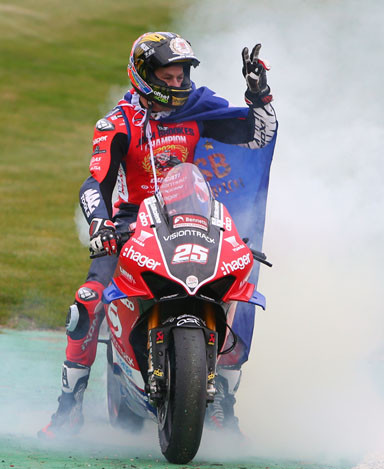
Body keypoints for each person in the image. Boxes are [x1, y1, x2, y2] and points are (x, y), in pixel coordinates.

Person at [39, 31, 277, 438]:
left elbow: (258, 136)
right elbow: (93, 185)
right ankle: (68, 409)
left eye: (182, 75)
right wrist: (100, 223)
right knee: (87, 303)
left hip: (194, 216)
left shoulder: (198, 108)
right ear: (145, 76)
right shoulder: (116, 124)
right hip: (132, 224)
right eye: (168, 76)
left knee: (240, 286)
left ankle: (224, 403)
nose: (178, 83)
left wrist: (260, 96)